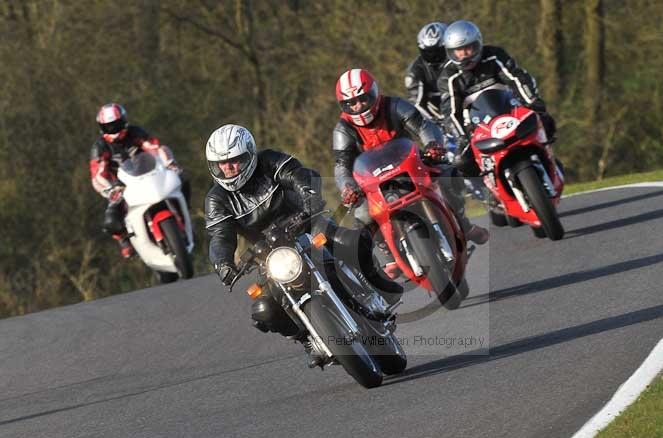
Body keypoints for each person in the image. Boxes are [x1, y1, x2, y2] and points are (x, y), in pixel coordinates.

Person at [204, 124, 401, 363]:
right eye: (221, 164)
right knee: (264, 309)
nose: (228, 168)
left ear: (249, 154)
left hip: (304, 223)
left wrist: (309, 197)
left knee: (351, 241)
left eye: (235, 160)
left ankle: (380, 288)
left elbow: (298, 174)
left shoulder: (268, 161)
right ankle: (308, 338)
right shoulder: (217, 198)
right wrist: (223, 263)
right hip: (266, 252)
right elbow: (220, 236)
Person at [333, 67, 489, 276]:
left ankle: (463, 223)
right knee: (362, 213)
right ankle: (389, 255)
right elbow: (341, 165)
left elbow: (424, 126)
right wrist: (347, 187)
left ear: (374, 93)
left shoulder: (395, 105)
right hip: (374, 182)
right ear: (344, 106)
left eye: (363, 99)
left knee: (449, 175)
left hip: (411, 165)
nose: (358, 106)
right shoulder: (343, 129)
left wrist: (433, 145)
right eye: (351, 103)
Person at [437, 20, 559, 178]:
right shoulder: (448, 77)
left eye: (468, 48)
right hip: (477, 126)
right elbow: (450, 111)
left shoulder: (494, 55)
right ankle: (488, 188)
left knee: (545, 120)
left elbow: (516, 78)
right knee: (462, 161)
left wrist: (532, 101)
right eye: (458, 51)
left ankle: (547, 157)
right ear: (450, 52)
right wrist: (461, 137)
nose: (464, 55)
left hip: (509, 110)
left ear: (478, 44)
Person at [89, 103, 190, 258]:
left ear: (123, 121)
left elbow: (153, 147)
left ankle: (184, 212)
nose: (114, 130)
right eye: (109, 127)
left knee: (182, 179)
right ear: (102, 127)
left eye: (117, 125)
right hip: (122, 187)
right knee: (111, 220)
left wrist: (169, 163)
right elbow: (98, 173)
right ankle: (124, 240)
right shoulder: (100, 147)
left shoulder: (135, 132)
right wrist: (110, 188)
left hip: (150, 175)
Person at [405, 22, 449, 124]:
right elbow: (417, 103)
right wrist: (436, 121)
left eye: (437, 51)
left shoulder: (459, 60)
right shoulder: (415, 71)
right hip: (437, 117)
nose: (433, 56)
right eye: (428, 52)